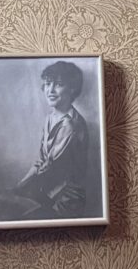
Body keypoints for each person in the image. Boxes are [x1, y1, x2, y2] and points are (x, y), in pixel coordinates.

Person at [12, 60, 88, 218]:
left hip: (65, 200)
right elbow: (41, 161)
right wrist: (18, 187)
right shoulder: (50, 118)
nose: (50, 90)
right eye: (47, 84)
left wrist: (19, 190)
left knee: (17, 216)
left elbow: (48, 166)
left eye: (59, 84)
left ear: (72, 88)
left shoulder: (70, 125)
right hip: (47, 192)